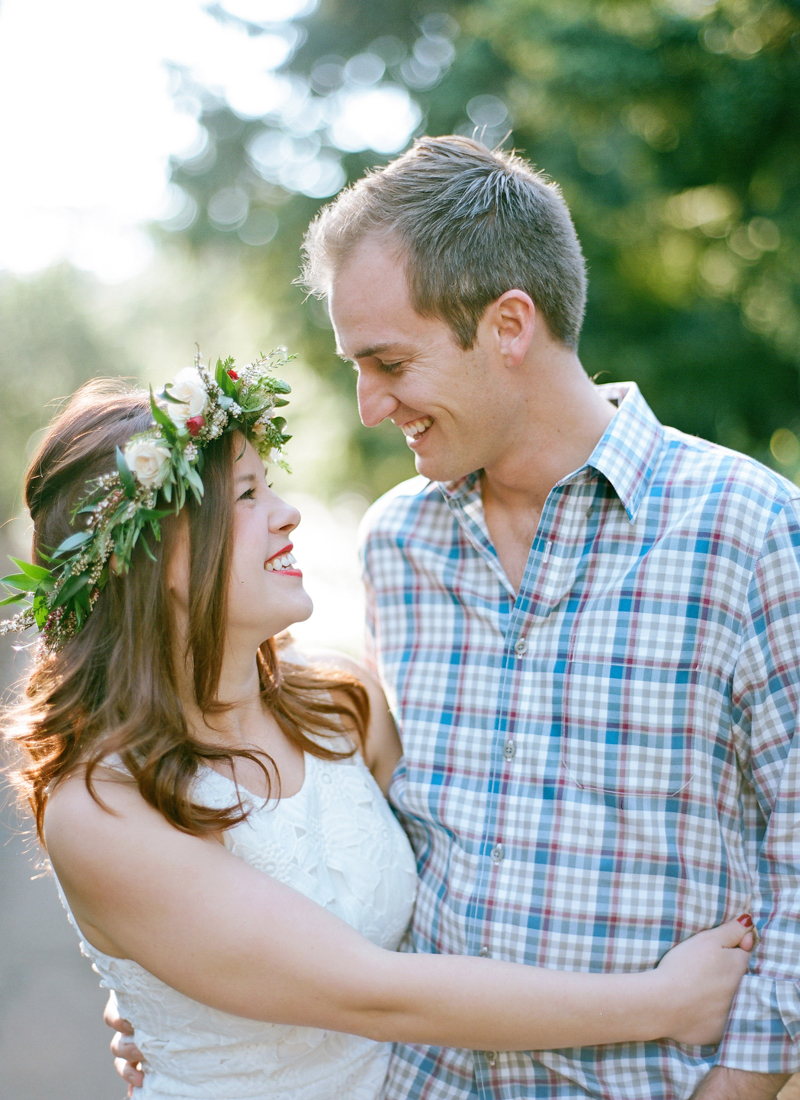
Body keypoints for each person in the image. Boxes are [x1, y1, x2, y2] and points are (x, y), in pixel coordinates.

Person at [2, 361, 753, 1100]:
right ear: (162, 558)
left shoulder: (338, 705)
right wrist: (665, 1002)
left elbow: (469, 856)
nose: (288, 512)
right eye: (248, 495)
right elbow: (376, 994)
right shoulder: (100, 806)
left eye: (272, 486)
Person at [299, 136, 800, 1099]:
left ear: (510, 324)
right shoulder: (396, 546)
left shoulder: (751, 532)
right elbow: (381, 838)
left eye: (389, 361)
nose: (368, 405)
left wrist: (736, 1089)